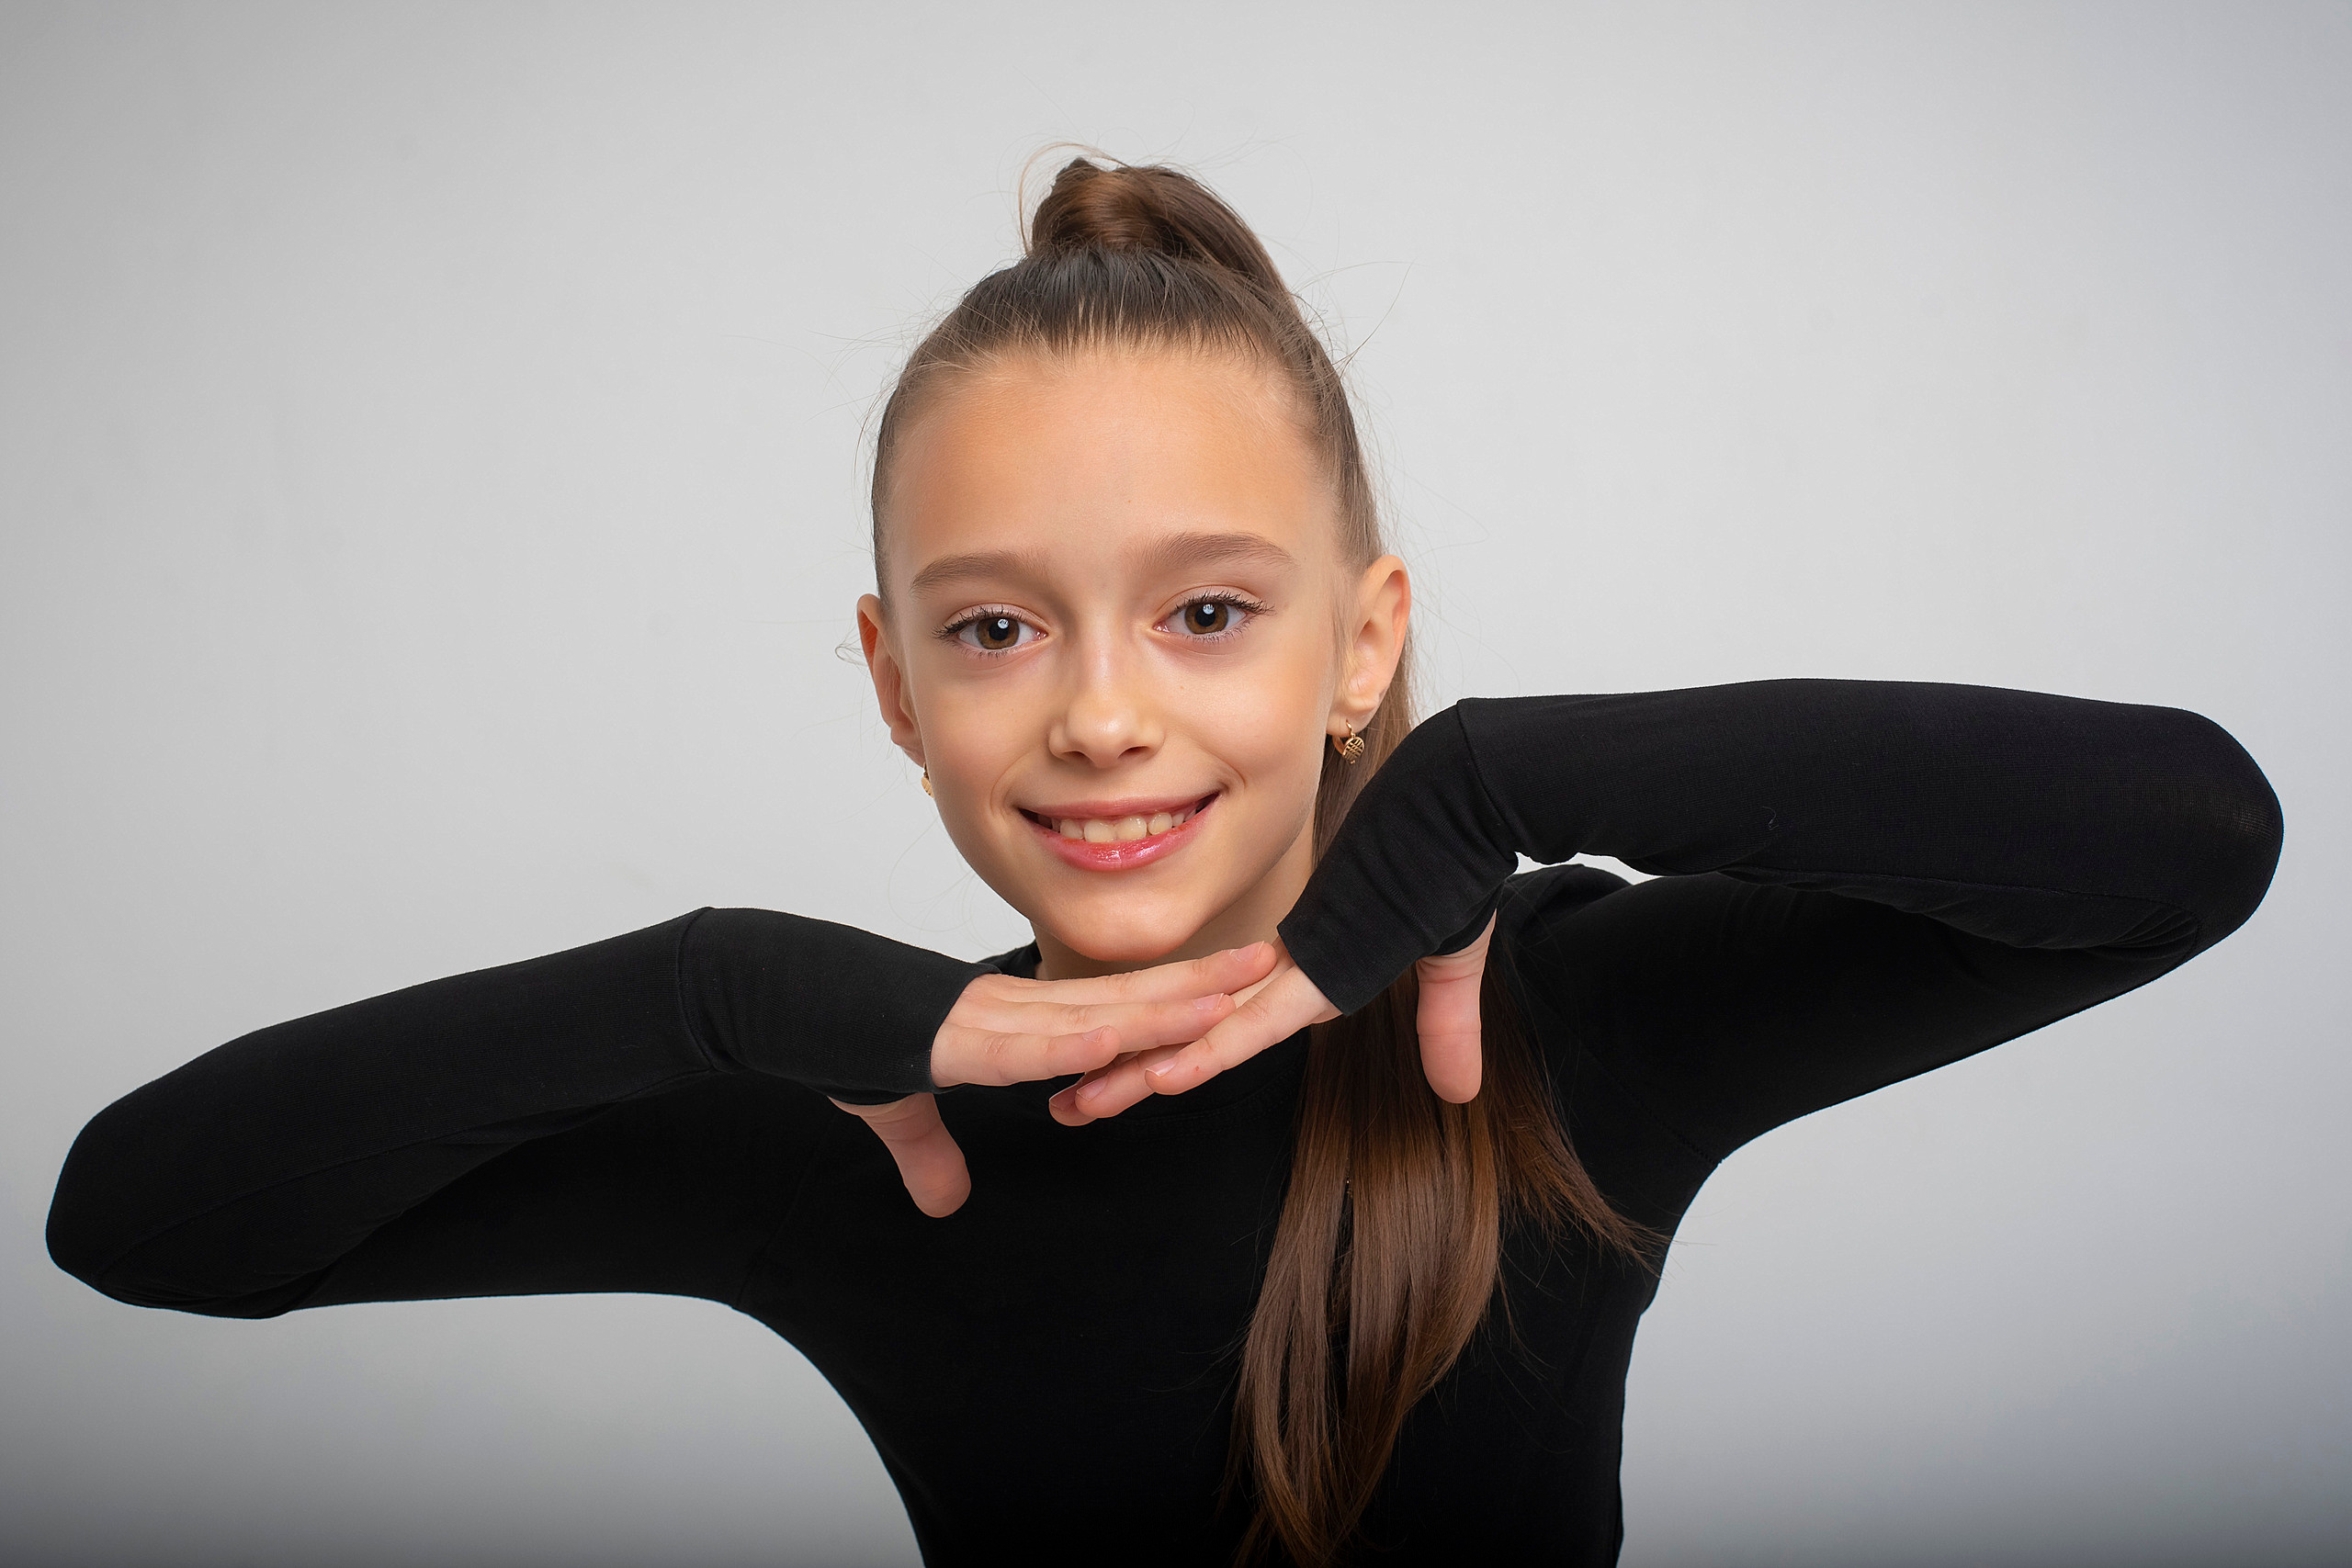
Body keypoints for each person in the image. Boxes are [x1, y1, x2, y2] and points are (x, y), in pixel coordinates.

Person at [46, 158, 2283, 1568]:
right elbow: (142, 1219)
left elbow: (2183, 839)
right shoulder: (862, 1143)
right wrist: (704, 985)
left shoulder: (1556, 1026)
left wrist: (1490, 782)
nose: (1098, 710)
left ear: (1358, 641)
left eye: (1206, 609)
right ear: (891, 677)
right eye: (995, 625)